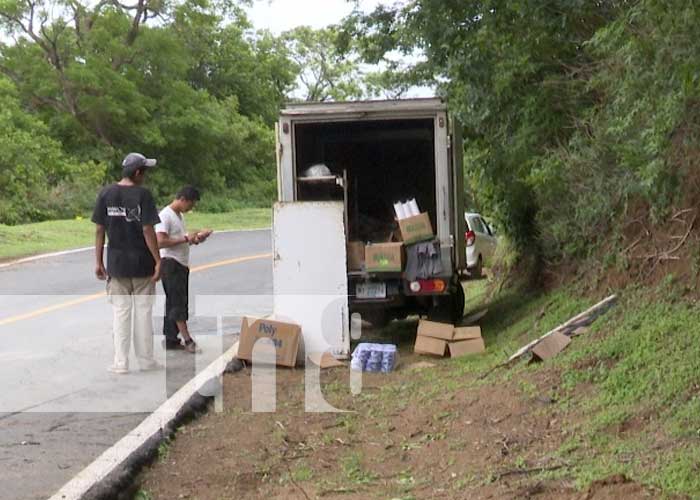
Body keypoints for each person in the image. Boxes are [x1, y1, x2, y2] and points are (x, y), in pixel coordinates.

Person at [92, 152, 162, 374]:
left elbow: (99, 229)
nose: (146, 176)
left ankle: (121, 363)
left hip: (117, 263)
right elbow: (148, 230)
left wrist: (98, 261)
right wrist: (158, 260)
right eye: (145, 171)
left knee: (120, 313)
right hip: (142, 263)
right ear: (138, 172)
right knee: (143, 313)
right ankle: (146, 361)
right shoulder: (143, 195)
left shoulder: (106, 194)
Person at [155, 186, 212, 353]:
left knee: (173, 301)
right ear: (183, 199)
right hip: (171, 263)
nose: (191, 208)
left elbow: (179, 240)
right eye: (191, 204)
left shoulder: (178, 216)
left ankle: (171, 338)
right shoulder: (165, 216)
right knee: (178, 303)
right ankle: (187, 339)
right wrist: (186, 238)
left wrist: (195, 238)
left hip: (180, 263)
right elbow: (160, 241)